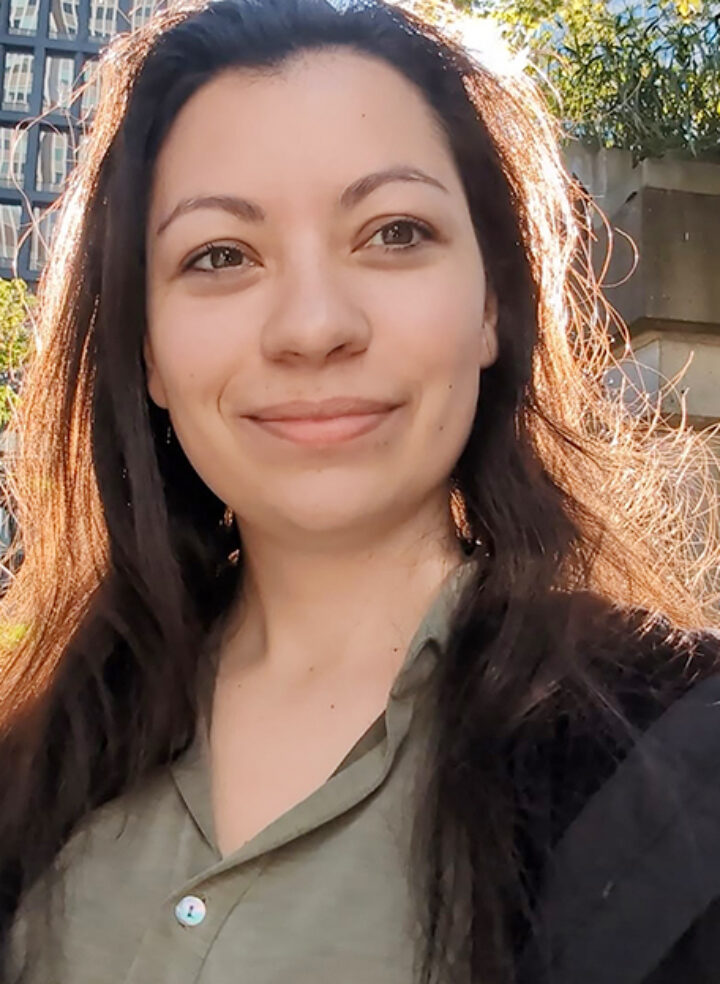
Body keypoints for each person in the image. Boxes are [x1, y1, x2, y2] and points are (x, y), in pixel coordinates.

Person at [0, 0, 719, 981]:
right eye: (219, 255)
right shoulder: (39, 758)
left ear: (493, 307)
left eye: (392, 233)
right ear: (149, 353)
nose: (313, 325)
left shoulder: (681, 767)